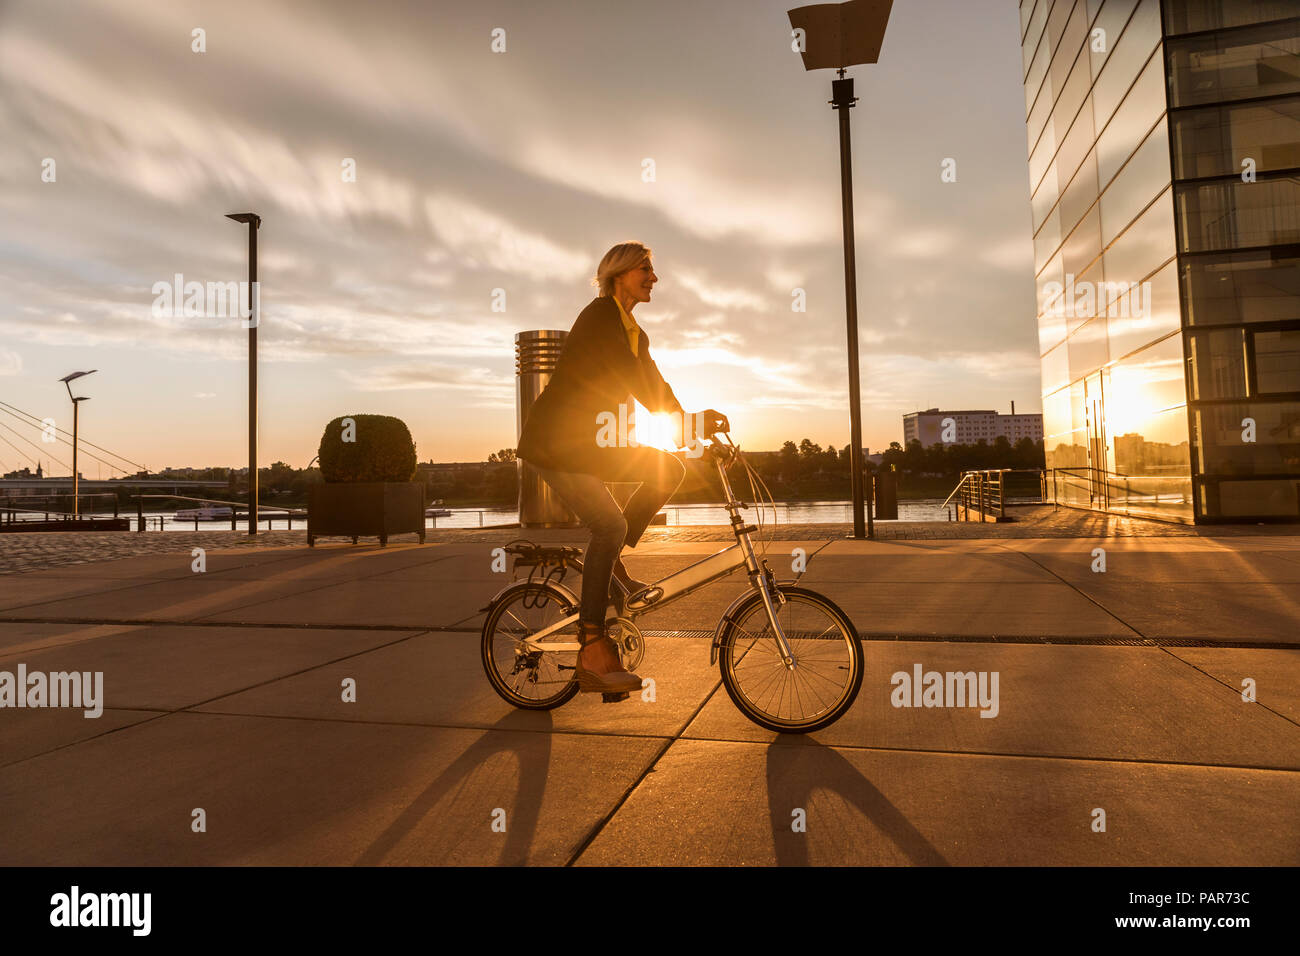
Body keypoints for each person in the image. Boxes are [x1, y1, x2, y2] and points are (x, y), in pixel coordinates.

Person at [516, 240, 728, 699]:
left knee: (667, 471)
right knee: (608, 524)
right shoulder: (599, 317)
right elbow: (631, 380)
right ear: (619, 273)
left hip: (593, 442)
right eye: (645, 270)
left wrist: (693, 430)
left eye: (652, 270)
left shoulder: (635, 332)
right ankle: (591, 642)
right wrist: (685, 423)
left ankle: (612, 569)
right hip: (558, 445)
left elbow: (655, 387)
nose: (654, 278)